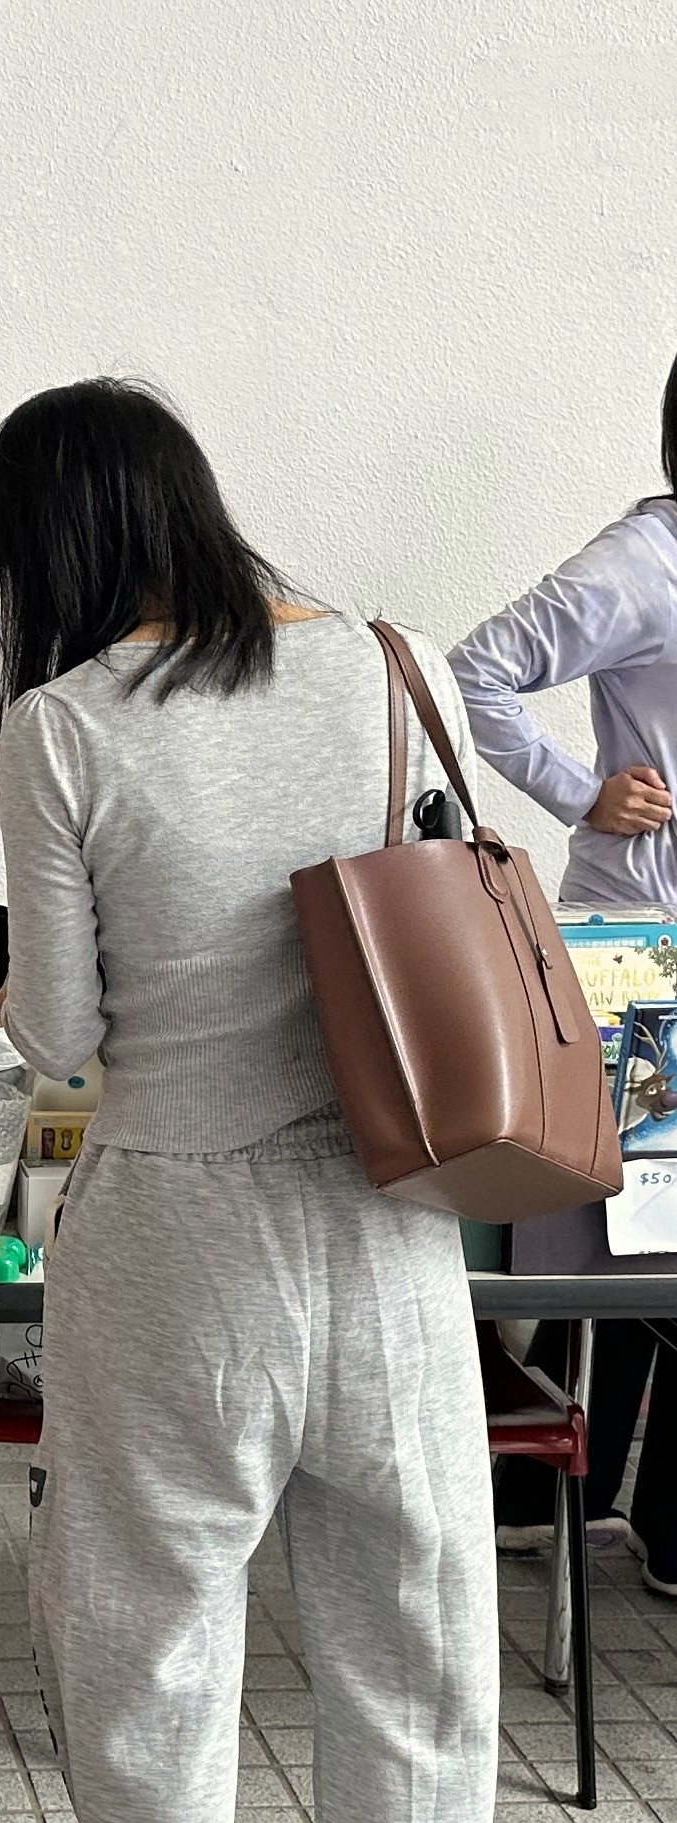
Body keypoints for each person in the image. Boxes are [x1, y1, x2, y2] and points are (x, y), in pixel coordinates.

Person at [0, 379, 498, 1823]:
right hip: (387, 1221)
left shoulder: (59, 728)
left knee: (150, 1653)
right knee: (414, 1642)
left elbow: (59, 1030)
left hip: (175, 1245)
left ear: (44, 547)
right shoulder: (384, 660)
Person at [449, 355, 677, 1593]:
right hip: (650, 951)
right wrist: (579, 791)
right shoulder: (645, 563)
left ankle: (623, 1515)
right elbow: (471, 670)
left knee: (656, 1240)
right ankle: (546, 1491)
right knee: (635, 1237)